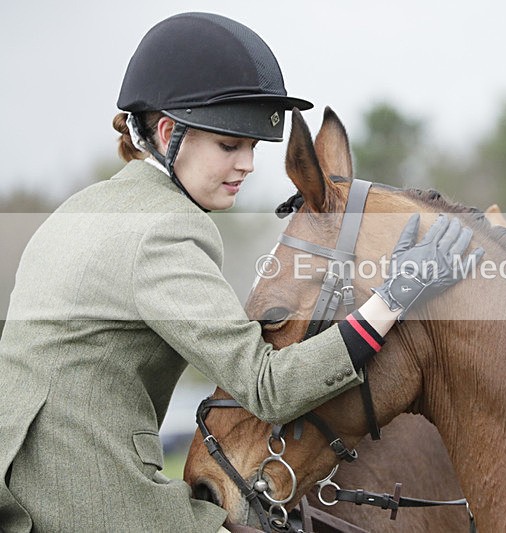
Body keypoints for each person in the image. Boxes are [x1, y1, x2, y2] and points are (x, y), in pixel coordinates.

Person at [0, 12, 481, 533]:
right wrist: (393, 297)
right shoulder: (167, 229)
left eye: (252, 147)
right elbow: (266, 386)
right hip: (86, 498)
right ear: (168, 133)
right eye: (229, 145)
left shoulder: (79, 209)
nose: (247, 164)